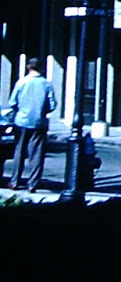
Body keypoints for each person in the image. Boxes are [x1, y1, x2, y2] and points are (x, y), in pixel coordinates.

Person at [4, 60, 57, 192]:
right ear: (41, 68)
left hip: (21, 121)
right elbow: (52, 104)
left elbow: (12, 102)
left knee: (19, 151)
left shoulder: (21, 82)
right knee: (37, 153)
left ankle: (15, 181)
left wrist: (20, 110)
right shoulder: (46, 84)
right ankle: (33, 183)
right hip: (39, 122)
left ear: (28, 67)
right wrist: (42, 112)